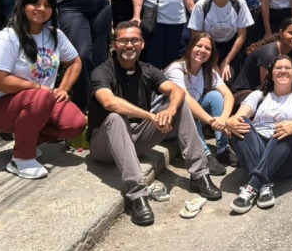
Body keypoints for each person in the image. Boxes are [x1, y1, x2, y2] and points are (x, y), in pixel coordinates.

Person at [89, 21, 222, 226]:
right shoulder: (102, 71)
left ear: (142, 44)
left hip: (137, 140)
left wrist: (170, 110)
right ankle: (137, 195)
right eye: (123, 40)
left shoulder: (147, 69)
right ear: (114, 45)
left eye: (134, 40)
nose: (129, 45)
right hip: (104, 144)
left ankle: (199, 175)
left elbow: (176, 91)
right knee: (115, 117)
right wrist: (151, 117)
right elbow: (109, 102)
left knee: (180, 103)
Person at [0, 0, 86, 179]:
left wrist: (63, 88)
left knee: (75, 123)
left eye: (47, 5)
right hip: (0, 108)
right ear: (23, 5)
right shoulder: (8, 37)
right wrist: (37, 87)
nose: (41, 9)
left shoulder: (55, 35)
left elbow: (75, 62)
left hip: (40, 103)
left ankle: (26, 139)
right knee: (40, 97)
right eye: (35, 4)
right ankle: (21, 159)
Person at [225, 56, 292, 214]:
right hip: (258, 154)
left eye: (288, 68)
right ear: (271, 74)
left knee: (285, 128)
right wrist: (229, 122)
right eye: (278, 68)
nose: (283, 71)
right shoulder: (258, 95)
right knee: (241, 123)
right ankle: (263, 185)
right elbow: (238, 117)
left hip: (287, 160)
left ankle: (253, 185)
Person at [164, 33, 236, 175]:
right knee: (186, 105)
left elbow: (228, 94)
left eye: (207, 48)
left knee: (216, 96)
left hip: (191, 120)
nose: (202, 50)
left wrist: (223, 120)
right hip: (167, 123)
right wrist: (212, 122)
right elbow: (187, 100)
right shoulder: (176, 69)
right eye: (199, 46)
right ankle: (204, 153)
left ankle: (223, 149)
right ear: (190, 47)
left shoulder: (207, 71)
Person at [188, 0, 254, 83]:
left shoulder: (239, 3)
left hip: (230, 48)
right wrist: (213, 63)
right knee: (208, 80)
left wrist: (226, 62)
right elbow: (196, 36)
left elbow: (242, 36)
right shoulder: (201, 5)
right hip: (207, 47)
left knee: (227, 79)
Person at [231, 18, 292, 106]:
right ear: (281, 33)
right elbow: (266, 86)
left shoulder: (290, 53)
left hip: (268, 90)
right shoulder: (269, 54)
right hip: (245, 93)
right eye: (291, 33)